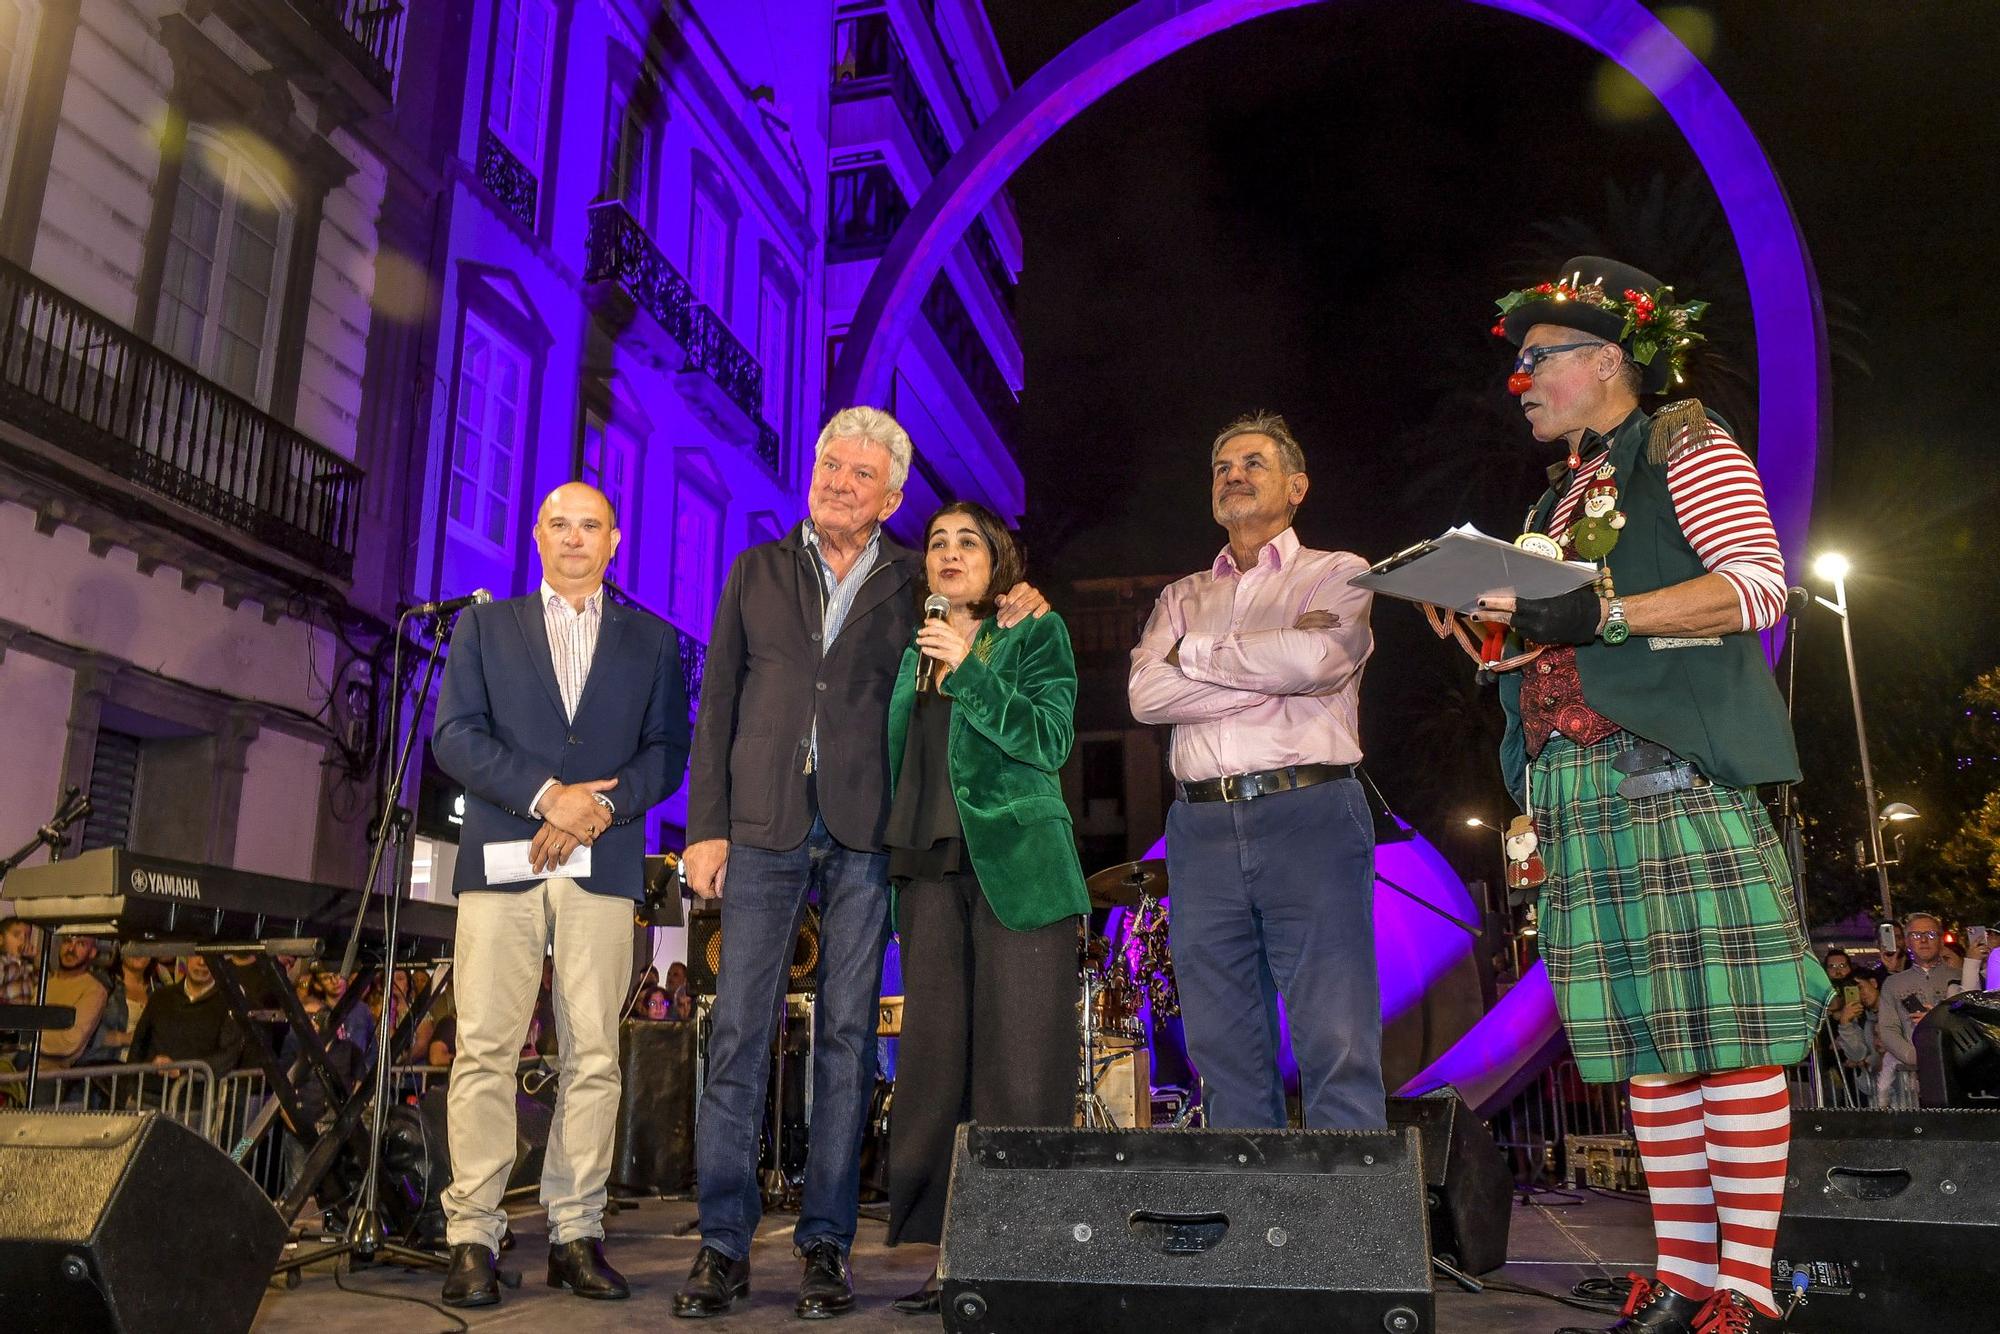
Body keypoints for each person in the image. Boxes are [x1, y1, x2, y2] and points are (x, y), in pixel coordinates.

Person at [1474, 258, 1831, 1334]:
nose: (1520, 379)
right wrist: (1497, 630)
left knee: (1725, 1039)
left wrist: (1605, 613)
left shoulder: (1682, 439)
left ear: (1604, 360)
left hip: (1667, 773)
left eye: (1538, 359)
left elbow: (1756, 583)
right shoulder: (1555, 493)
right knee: (1644, 1045)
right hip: (1577, 789)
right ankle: (1680, 1280)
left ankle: (1749, 1291)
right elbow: (1563, 623)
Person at [675, 407, 1046, 1320]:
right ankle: (722, 1244)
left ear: (889, 495)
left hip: (862, 830)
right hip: (759, 825)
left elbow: (987, 611)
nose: (838, 483)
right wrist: (704, 824)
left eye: (859, 475)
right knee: (737, 1034)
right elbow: (717, 699)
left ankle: (825, 1247)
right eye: (829, 466)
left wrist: (1020, 602)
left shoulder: (918, 581)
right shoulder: (755, 568)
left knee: (846, 1038)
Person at [430, 481, 689, 1308]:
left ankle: (575, 1232)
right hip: (504, 858)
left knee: (594, 1055)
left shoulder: (652, 641)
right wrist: (550, 797)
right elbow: (455, 738)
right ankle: (473, 1233)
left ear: (616, 541)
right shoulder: (484, 627)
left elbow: (666, 753)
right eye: (559, 524)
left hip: (604, 865)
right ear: (536, 536)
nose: (575, 538)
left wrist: (600, 810)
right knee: (485, 1049)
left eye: (591, 526)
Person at [1127, 411, 1381, 1132]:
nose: (1232, 475)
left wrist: (1196, 658)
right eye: (1221, 467)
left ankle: (1347, 1233)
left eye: (1252, 463)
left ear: (1296, 486)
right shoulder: (1181, 594)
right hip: (1199, 826)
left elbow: (1317, 662)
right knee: (1222, 1042)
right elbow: (1146, 697)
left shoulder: (1337, 572)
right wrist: (1269, 659)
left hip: (1309, 815)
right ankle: (1254, 1227)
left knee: (1337, 1033)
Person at [881, 503, 1090, 1315]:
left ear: (998, 558)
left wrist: (971, 662)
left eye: (969, 540)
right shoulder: (910, 649)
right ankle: (952, 1259)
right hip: (927, 872)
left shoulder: (1035, 632)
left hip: (1019, 872)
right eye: (937, 542)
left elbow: (1047, 739)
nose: (949, 552)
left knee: (1021, 1070)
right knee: (935, 1070)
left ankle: (1022, 1257)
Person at [1877, 912, 1958, 1108]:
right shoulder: (1893, 983)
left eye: (1930, 934)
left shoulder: (1959, 978)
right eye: (1915, 935)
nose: (1923, 940)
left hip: (1955, 1069)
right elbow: (1888, 1029)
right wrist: (1912, 1057)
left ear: (1940, 939)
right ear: (1907, 942)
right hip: (1911, 1079)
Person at [127, 954, 245, 1074]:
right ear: (186, 957)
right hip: (150, 1088)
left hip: (198, 1090)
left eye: (209, 955)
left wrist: (182, 1069)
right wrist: (129, 1090)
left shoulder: (229, 1002)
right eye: (196, 954)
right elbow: (137, 1047)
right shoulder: (160, 997)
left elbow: (228, 1055)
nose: (202, 962)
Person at [39, 936, 110, 1069]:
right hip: (16, 1067)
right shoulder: (43, 982)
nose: (71, 949)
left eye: (81, 944)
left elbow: (68, 1042)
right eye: (67, 941)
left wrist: (26, 1037)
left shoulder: (93, 990)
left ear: (93, 952)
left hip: (50, 1075)